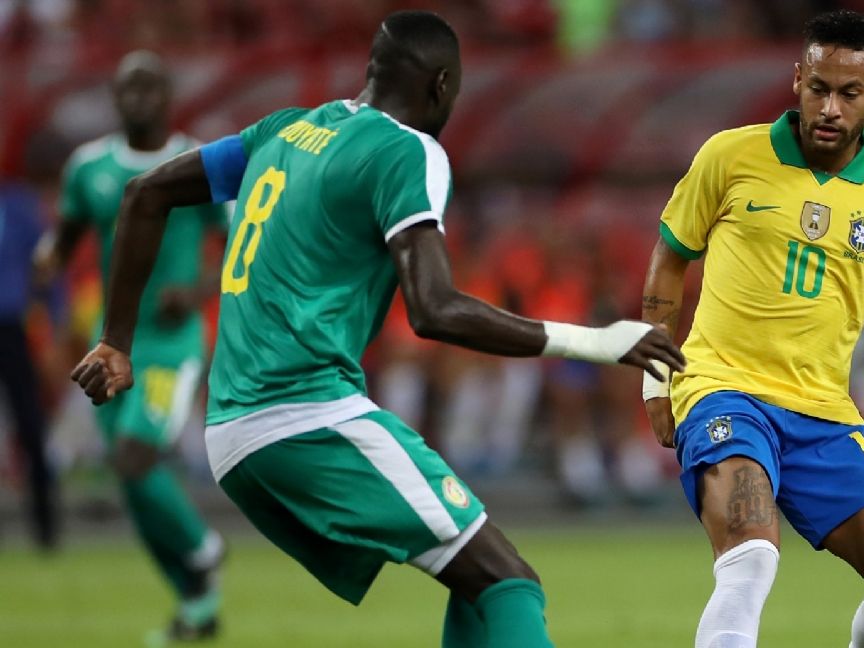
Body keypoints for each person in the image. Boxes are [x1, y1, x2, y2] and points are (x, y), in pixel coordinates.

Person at [70, 11, 683, 648]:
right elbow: (434, 309)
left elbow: (144, 192)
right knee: (510, 582)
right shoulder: (408, 151)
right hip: (305, 414)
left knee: (475, 581)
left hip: (232, 431)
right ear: (442, 86)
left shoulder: (283, 130)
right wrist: (596, 341)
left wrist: (115, 340)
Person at [640, 11, 864, 648]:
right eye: (819, 88)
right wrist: (655, 381)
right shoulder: (730, 155)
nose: (830, 108)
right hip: (722, 390)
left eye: (849, 93)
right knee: (751, 557)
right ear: (797, 81)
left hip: (823, 411)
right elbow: (669, 262)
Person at [35, 51, 228, 640]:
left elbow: (237, 243)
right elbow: (66, 235)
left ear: (170, 96)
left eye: (149, 86)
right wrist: (49, 258)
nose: (138, 97)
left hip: (171, 343)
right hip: (111, 341)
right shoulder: (89, 166)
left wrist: (195, 292)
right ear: (114, 98)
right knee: (129, 476)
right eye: (127, 87)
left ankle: (203, 546)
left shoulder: (200, 163)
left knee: (135, 457)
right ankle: (196, 603)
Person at [0, 180, 59, 550]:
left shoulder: (20, 208)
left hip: (11, 327)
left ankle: (45, 527)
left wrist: (53, 322)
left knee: (30, 425)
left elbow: (46, 268)